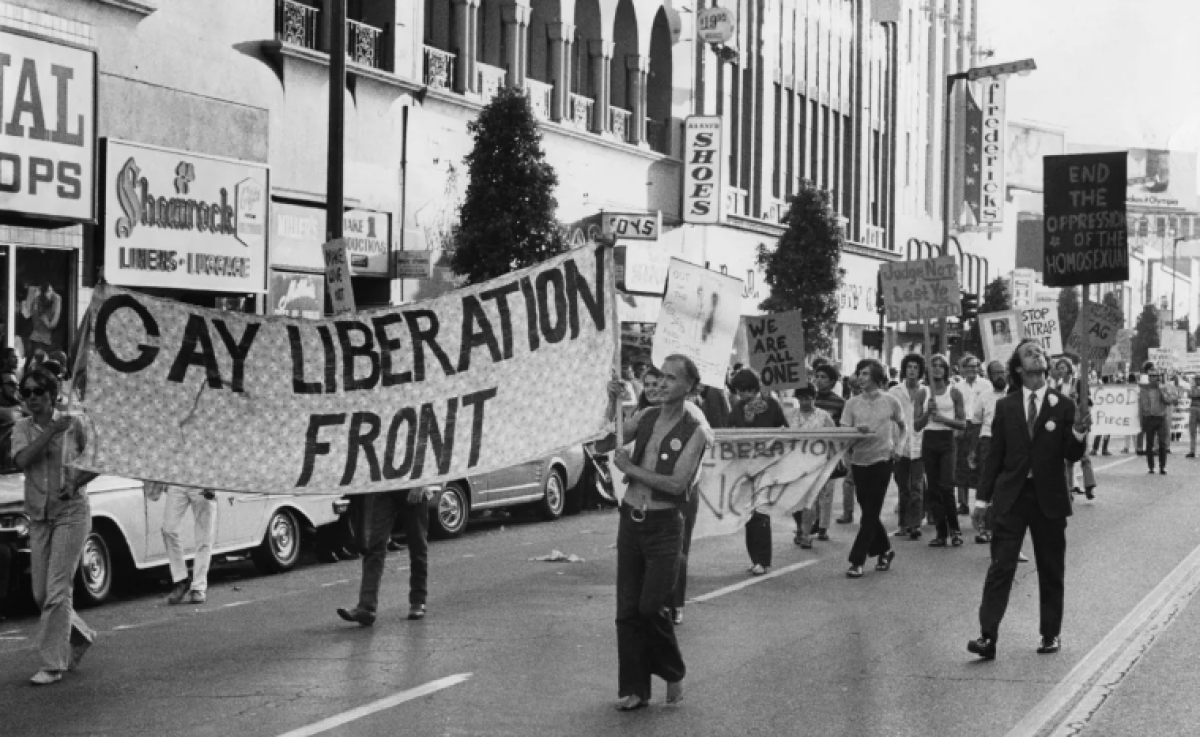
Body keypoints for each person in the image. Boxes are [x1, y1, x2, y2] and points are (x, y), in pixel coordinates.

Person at [594, 354, 711, 710]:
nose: (662, 384)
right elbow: (602, 442)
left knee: (650, 607)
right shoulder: (645, 416)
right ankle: (634, 688)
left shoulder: (697, 430)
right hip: (631, 520)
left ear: (689, 386)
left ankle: (673, 671)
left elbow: (677, 485)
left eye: (672, 378)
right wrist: (609, 404)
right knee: (627, 610)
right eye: (659, 377)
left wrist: (630, 467)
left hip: (664, 527)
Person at [968, 339, 1090, 660]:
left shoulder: (1063, 405)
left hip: (1048, 500)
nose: (1037, 354)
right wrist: (982, 501)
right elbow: (994, 457)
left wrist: (1078, 433)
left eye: (1040, 351)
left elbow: (1071, 453)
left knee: (1051, 569)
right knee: (1001, 567)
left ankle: (1050, 634)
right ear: (1019, 368)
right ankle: (987, 636)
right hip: (1012, 498)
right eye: (1029, 353)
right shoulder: (1006, 406)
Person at [11, 369, 97, 685]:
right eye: (27, 392)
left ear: (51, 394)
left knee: (57, 590)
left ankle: (52, 664)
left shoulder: (75, 423)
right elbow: (22, 461)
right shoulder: (22, 427)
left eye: (38, 392)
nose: (32, 398)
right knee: (41, 593)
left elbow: (97, 461)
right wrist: (50, 432)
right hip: (38, 515)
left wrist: (76, 483)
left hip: (71, 513)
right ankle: (81, 634)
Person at [841, 359, 906, 578]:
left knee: (870, 514)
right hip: (859, 461)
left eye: (866, 374)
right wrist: (855, 431)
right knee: (868, 510)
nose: (860, 377)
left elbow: (903, 427)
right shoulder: (852, 404)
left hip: (882, 460)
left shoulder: (890, 401)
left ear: (877, 377)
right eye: (859, 373)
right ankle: (885, 551)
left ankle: (856, 561)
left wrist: (898, 448)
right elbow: (844, 433)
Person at [336, 486, 432, 625]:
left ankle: (418, 600)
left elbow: (431, 463)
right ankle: (366, 607)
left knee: (417, 544)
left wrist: (421, 484)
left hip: (412, 484)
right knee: (375, 547)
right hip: (384, 488)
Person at [728, 368, 790, 575]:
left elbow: (784, 429)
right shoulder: (737, 407)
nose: (743, 395)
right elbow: (728, 432)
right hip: (745, 466)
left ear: (755, 389)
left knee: (761, 512)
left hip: (767, 465)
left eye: (746, 391)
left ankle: (762, 560)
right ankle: (755, 558)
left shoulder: (771, 405)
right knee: (749, 513)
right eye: (739, 391)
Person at [923, 354, 967, 547]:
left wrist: (944, 419)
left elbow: (962, 423)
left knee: (947, 487)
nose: (938, 369)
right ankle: (941, 532)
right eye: (934, 365)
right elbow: (916, 425)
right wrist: (927, 413)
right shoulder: (922, 393)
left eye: (941, 366)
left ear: (947, 369)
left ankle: (955, 530)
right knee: (933, 488)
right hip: (929, 439)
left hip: (947, 440)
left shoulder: (954, 392)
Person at [152, 483, 218, 605]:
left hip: (202, 480)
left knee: (204, 535)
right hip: (178, 480)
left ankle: (198, 587)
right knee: (168, 529)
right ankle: (181, 579)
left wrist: (212, 482)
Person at [888, 354, 928, 540]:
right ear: (904, 369)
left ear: (920, 371)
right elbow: (889, 420)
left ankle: (915, 524)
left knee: (917, 486)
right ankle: (903, 524)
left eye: (916, 367)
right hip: (900, 445)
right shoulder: (894, 392)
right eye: (909, 367)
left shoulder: (927, 392)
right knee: (903, 487)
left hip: (920, 445)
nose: (912, 370)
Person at [968, 360, 1008, 544]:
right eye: (996, 373)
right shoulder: (984, 396)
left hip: (1009, 443)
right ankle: (986, 528)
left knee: (1005, 485)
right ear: (990, 376)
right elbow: (975, 424)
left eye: (1003, 372)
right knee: (987, 484)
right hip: (988, 441)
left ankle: (1003, 526)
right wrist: (972, 450)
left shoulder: (1015, 395)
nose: (1000, 376)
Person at [794, 384, 837, 549]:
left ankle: (806, 534)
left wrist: (833, 459)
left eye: (808, 398)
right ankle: (800, 528)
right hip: (795, 464)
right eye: (802, 398)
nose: (805, 402)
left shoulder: (823, 416)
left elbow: (834, 437)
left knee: (810, 499)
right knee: (796, 500)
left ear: (814, 398)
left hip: (817, 464)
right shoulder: (790, 416)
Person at [812, 364, 852, 524]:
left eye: (824, 378)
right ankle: (811, 521)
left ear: (832, 382)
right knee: (811, 488)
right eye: (817, 377)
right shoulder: (809, 400)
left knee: (827, 489)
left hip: (830, 452)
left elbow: (844, 427)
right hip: (809, 451)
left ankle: (823, 525)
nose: (819, 381)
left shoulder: (840, 403)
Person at [955, 355, 985, 516]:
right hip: (963, 426)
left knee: (979, 464)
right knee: (961, 465)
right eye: (968, 367)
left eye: (975, 366)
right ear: (963, 369)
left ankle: (980, 502)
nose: (972, 370)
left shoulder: (986, 385)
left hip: (979, 426)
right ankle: (963, 502)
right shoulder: (958, 387)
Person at [1138, 363, 1175, 475]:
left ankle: (1162, 467)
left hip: (1161, 418)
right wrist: (1142, 418)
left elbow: (1170, 401)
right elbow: (1141, 404)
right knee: (1149, 444)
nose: (1152, 378)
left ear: (1158, 377)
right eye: (1150, 376)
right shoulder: (1144, 388)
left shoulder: (1164, 387)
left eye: (1154, 376)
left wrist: (1162, 391)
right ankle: (1151, 467)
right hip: (1149, 418)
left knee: (1162, 444)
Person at [1188, 373, 1200, 458]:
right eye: (1196, 379)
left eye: (1198, 379)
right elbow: (1190, 395)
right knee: (1192, 431)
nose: (1197, 380)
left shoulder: (1193, 388)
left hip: (1196, 407)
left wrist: (1194, 395)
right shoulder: (1192, 387)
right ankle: (1192, 451)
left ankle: (1192, 451)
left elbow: (1192, 395)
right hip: (1193, 408)